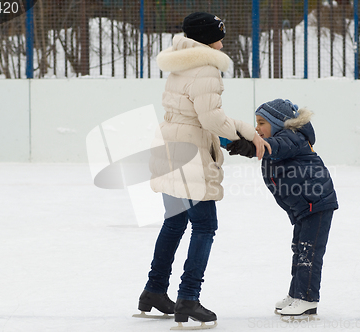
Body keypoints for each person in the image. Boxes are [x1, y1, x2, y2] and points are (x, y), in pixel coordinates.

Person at [136, 12, 271, 327]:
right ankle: (189, 298)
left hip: (169, 146)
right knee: (205, 226)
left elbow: (195, 115)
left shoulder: (180, 62)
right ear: (207, 39)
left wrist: (227, 138)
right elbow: (210, 118)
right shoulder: (207, 68)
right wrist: (246, 133)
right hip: (190, 156)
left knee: (173, 224)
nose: (222, 41)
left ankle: (154, 290)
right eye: (218, 35)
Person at [226, 99, 338, 317]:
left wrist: (249, 147)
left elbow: (271, 149)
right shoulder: (282, 139)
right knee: (299, 249)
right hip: (304, 206)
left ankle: (307, 298)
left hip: (317, 203)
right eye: (255, 123)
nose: (257, 128)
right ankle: (296, 293)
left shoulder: (291, 138)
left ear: (278, 123)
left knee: (308, 251)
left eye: (262, 123)